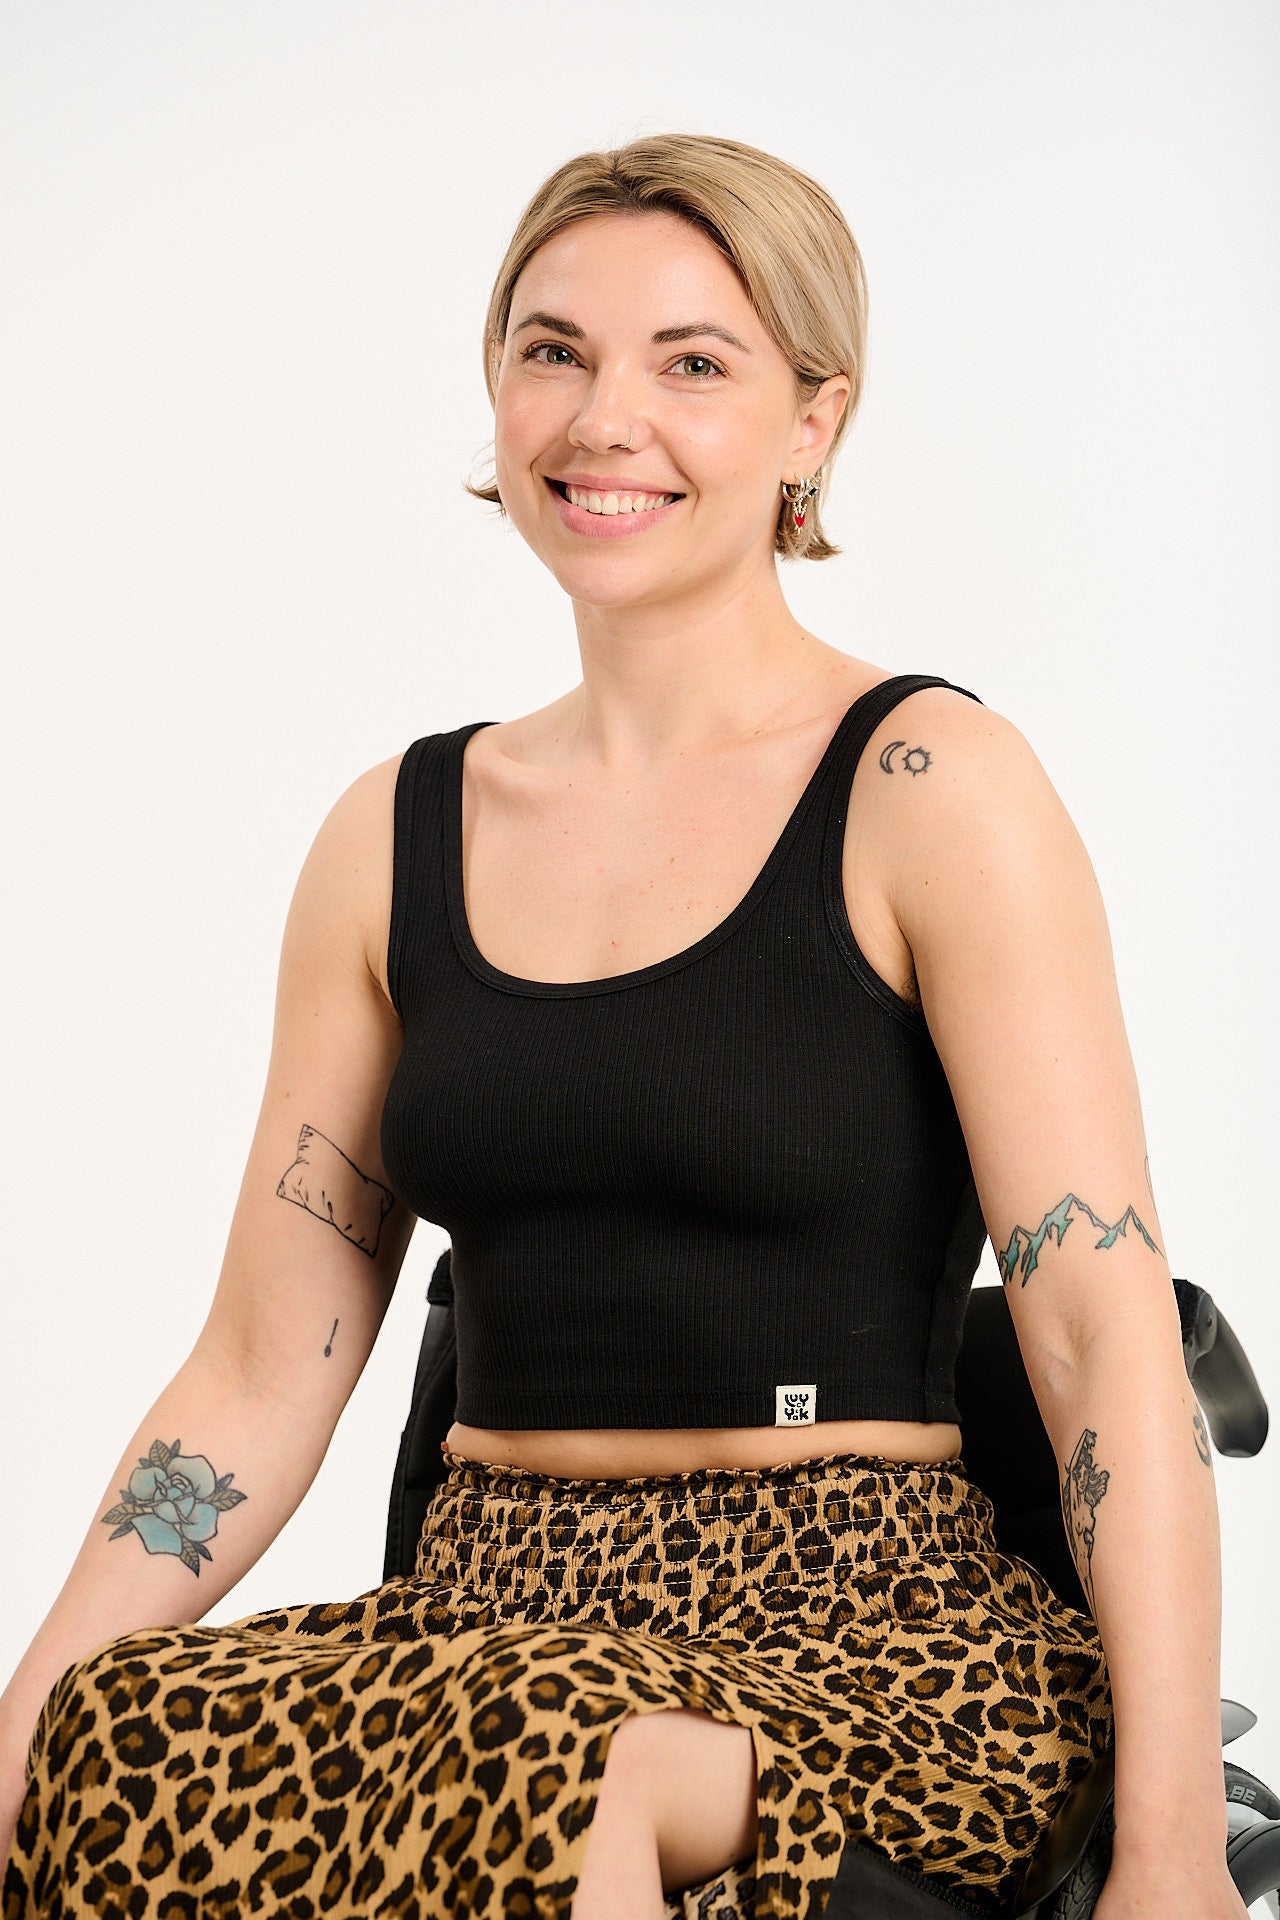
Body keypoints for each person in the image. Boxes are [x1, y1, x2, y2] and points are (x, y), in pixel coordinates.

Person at [0, 133, 1245, 1920]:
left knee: (567, 1744)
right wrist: (31, 1716)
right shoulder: (394, 834)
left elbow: (1100, 1341)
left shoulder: (928, 786)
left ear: (814, 421)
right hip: (481, 1618)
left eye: (693, 362)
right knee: (116, 1739)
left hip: (865, 1635)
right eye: (554, 351)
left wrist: (1173, 1850)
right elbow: (264, 1368)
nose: (605, 420)